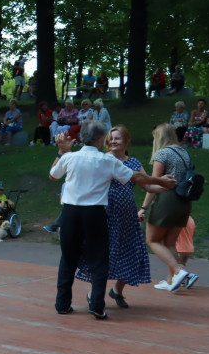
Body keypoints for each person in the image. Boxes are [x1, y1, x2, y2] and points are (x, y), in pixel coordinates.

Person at [49, 121, 175, 319]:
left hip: (70, 213)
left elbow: (53, 176)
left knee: (68, 258)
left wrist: (61, 151)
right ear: (100, 140)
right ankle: (97, 306)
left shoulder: (70, 157)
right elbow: (137, 178)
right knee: (99, 260)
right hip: (94, 213)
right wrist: (161, 180)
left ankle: (62, 304)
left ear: (82, 138)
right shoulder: (106, 160)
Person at [72, 126, 155, 309]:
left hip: (127, 218)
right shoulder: (103, 159)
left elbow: (148, 185)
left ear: (127, 141)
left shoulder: (133, 162)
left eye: (117, 138)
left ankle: (117, 290)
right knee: (103, 254)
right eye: (111, 138)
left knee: (131, 253)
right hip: (105, 215)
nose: (113, 141)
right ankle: (94, 292)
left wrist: (147, 204)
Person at [140, 124, 200, 292]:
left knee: (152, 240)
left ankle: (180, 271)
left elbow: (154, 182)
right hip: (184, 202)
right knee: (170, 242)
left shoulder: (163, 153)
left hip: (167, 200)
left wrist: (143, 207)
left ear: (159, 137)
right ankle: (172, 280)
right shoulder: (184, 152)